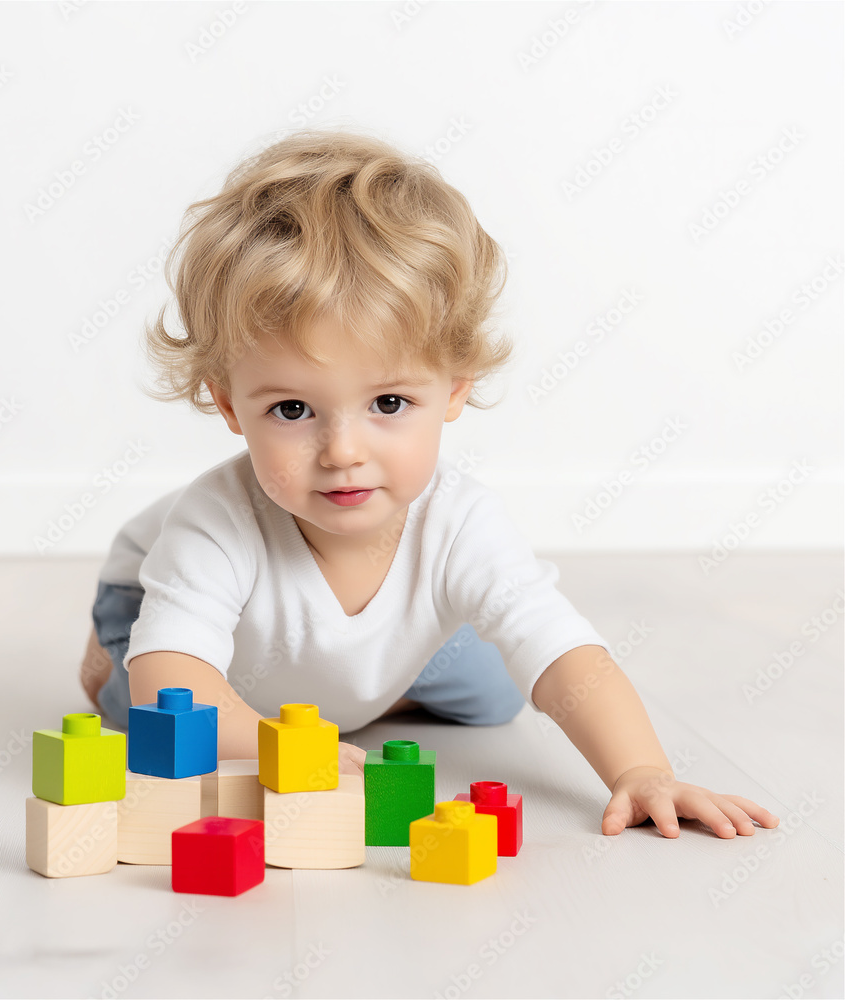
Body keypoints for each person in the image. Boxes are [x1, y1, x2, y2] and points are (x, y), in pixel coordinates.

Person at [80, 127, 778, 839]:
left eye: (388, 403)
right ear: (230, 405)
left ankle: (361, 690)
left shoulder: (461, 521)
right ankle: (114, 654)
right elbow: (172, 686)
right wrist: (283, 748)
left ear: (455, 388)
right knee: (149, 719)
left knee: (498, 690)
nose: (343, 452)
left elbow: (564, 652)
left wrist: (643, 771)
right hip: (157, 606)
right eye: (292, 410)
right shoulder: (216, 520)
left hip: (366, 652)